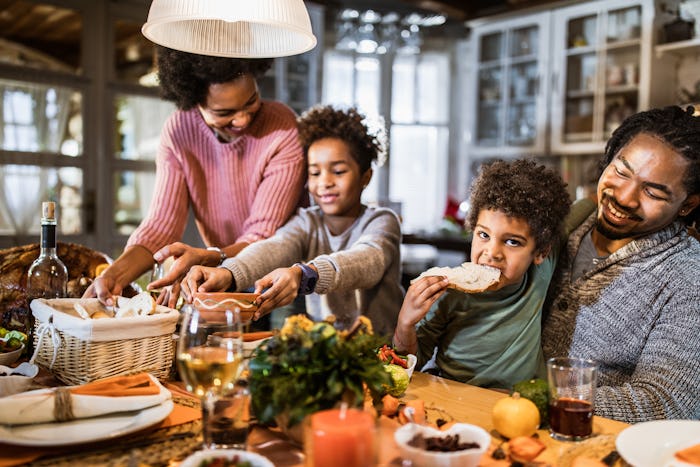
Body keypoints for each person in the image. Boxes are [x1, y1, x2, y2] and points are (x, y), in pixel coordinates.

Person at [84, 46, 306, 308]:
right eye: (224, 113)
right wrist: (114, 276)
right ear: (193, 102)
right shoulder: (179, 132)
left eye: (251, 101)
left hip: (282, 277)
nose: (243, 119)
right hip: (221, 269)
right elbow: (160, 227)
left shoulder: (282, 127)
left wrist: (207, 257)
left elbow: (262, 234)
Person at [181, 105, 403, 337]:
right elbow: (275, 247)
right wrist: (228, 273)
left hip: (382, 352)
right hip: (328, 352)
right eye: (315, 173)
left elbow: (368, 261)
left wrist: (306, 273)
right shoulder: (306, 221)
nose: (325, 182)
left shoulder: (382, 221)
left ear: (365, 177)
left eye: (338, 171)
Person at [542, 105, 700, 423]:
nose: (625, 197)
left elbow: (666, 405)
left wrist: (537, 395)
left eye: (653, 192)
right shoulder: (562, 228)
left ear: (688, 205)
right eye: (621, 171)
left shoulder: (688, 278)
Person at [393, 159, 573, 389]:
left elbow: (582, 210)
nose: (492, 253)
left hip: (521, 405)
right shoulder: (447, 293)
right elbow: (409, 365)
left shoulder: (541, 269)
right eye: (484, 235)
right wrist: (405, 324)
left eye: (512, 242)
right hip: (458, 399)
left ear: (541, 252)